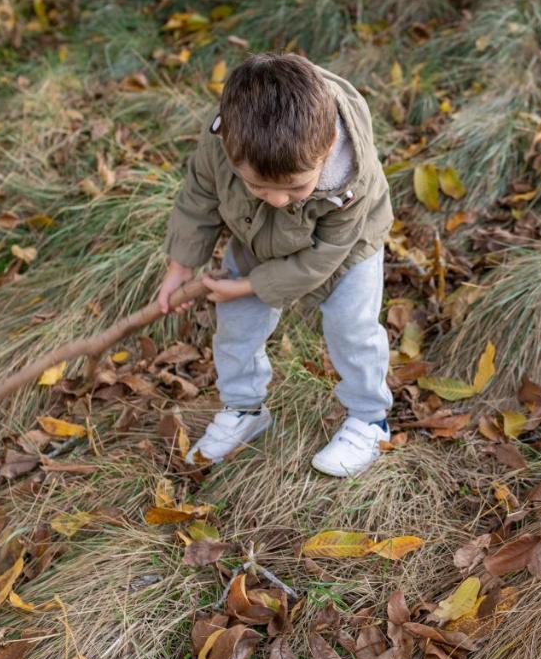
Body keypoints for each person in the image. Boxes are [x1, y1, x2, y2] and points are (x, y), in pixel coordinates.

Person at [155, 53, 394, 477]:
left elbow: (323, 257)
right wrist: (181, 265)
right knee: (235, 326)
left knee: (351, 328)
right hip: (256, 235)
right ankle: (245, 410)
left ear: (326, 148)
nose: (279, 199)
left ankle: (369, 419)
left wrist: (249, 285)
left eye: (295, 187)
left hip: (346, 249)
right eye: (256, 185)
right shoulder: (226, 140)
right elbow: (199, 197)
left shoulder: (352, 179)